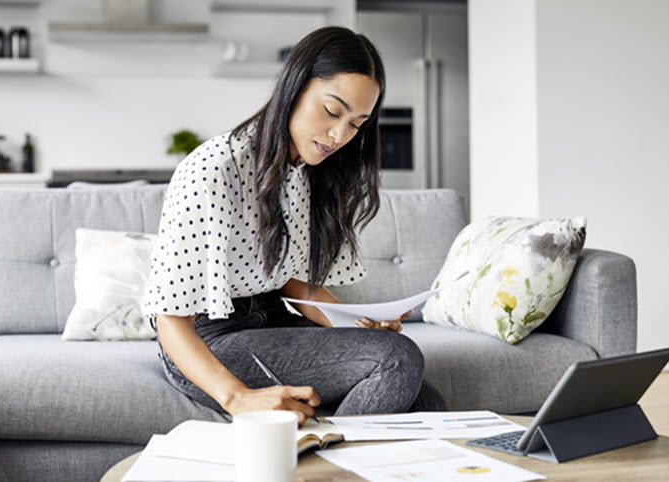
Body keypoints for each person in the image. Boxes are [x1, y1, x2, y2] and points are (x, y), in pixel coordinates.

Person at [141, 26, 446, 425]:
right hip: (206, 341)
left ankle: (325, 457)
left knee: (426, 402)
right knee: (398, 360)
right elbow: (170, 319)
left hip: (271, 321)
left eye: (357, 124)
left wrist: (360, 325)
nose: (340, 135)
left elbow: (294, 283)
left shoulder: (309, 170)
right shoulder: (214, 168)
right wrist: (238, 399)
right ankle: (315, 463)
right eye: (333, 111)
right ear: (294, 87)